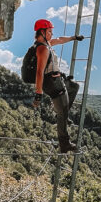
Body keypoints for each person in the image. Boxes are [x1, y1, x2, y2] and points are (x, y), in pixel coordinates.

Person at [31, 19, 83, 153]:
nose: (52, 34)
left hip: (56, 80)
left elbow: (60, 39)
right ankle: (64, 144)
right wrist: (38, 93)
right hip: (51, 84)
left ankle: (60, 112)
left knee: (73, 86)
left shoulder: (47, 43)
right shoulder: (42, 48)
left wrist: (74, 38)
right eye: (49, 31)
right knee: (63, 115)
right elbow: (39, 72)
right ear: (42, 32)